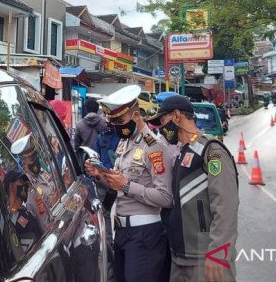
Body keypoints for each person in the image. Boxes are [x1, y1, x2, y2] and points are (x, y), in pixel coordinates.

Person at [85, 85, 173, 282]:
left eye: (120, 121)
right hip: (123, 232)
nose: (116, 126)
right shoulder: (126, 143)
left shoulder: (154, 147)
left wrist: (126, 185)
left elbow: (166, 198)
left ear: (135, 116)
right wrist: (101, 175)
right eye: (113, 122)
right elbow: (120, 186)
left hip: (145, 235)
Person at [149, 95, 239, 282]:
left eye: (163, 121)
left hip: (205, 259)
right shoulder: (184, 152)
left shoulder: (211, 151)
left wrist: (218, 252)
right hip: (181, 258)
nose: (161, 128)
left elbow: (226, 206)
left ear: (176, 116)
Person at [3, 169, 42, 255]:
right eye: (20, 182)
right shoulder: (11, 222)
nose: (24, 185)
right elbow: (19, 255)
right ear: (12, 187)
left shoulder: (26, 211)